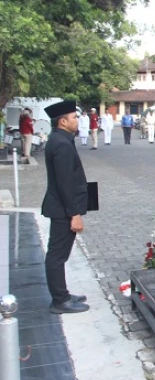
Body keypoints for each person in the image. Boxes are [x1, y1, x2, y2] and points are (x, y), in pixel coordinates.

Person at [41, 100, 90, 314]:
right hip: (63, 209)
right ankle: (59, 300)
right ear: (63, 121)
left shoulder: (60, 139)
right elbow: (64, 182)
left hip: (62, 207)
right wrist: (75, 214)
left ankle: (62, 294)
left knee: (58, 254)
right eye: (74, 117)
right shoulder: (60, 143)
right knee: (57, 255)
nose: (77, 120)